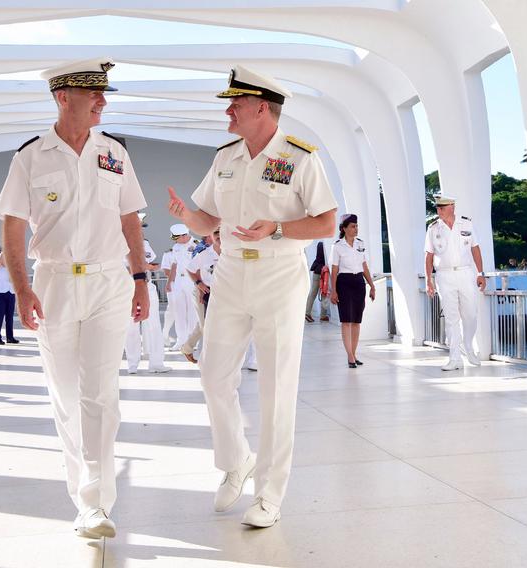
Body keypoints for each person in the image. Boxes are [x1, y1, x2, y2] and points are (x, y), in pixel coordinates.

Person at [167, 65, 337, 528]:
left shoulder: (300, 157)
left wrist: (278, 228)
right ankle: (235, 460)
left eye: (235, 105)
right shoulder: (225, 157)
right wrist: (188, 215)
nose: (228, 111)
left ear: (262, 108)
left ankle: (269, 494)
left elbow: (326, 223)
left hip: (280, 275)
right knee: (213, 376)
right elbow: (208, 221)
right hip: (229, 275)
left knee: (276, 387)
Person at [0, 58, 149, 540]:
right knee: (66, 396)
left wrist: (142, 278)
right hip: (56, 282)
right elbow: (13, 225)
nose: (103, 101)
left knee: (101, 394)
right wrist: (23, 287)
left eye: (104, 94)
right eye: (94, 94)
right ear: (64, 97)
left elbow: (130, 219)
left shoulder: (115, 154)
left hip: (108, 281)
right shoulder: (30, 156)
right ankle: (81, 497)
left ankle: (98, 504)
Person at [424, 195, 487, 371]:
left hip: (466, 273)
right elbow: (428, 256)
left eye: (442, 207)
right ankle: (454, 358)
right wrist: (429, 280)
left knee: (471, 315)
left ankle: (467, 345)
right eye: (437, 208)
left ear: (452, 207)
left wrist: (481, 273)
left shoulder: (466, 224)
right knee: (451, 319)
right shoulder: (433, 228)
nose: (439, 211)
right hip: (444, 276)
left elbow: (475, 248)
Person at [124, 214, 170, 374]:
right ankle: (134, 364)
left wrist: (148, 267)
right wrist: (148, 267)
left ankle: (152, 364)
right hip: (131, 287)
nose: (141, 231)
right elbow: (143, 264)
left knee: (151, 325)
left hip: (144, 285)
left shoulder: (144, 243)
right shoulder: (130, 244)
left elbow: (146, 263)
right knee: (133, 327)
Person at [330, 215, 376, 368]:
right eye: (352, 226)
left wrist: (372, 286)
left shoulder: (360, 244)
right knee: (346, 321)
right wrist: (333, 291)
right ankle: (349, 356)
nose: (356, 229)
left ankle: (353, 354)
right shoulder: (337, 246)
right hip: (344, 283)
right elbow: (334, 270)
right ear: (344, 228)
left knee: (356, 321)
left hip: (358, 283)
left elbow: (364, 266)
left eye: (356, 226)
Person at [180, 229, 221, 364]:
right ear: (210, 236)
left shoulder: (231, 252)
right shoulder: (203, 253)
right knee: (207, 326)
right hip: (204, 291)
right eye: (215, 233)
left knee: (206, 323)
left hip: (221, 293)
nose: (219, 236)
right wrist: (199, 284)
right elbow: (191, 269)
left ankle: (187, 348)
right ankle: (209, 359)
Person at [167, 224, 197, 351]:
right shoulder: (176, 247)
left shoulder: (197, 244)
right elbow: (174, 265)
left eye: (177, 238)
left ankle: (191, 341)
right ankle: (181, 340)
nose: (175, 241)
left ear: (184, 236)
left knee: (192, 313)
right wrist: (169, 282)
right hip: (179, 281)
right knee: (179, 312)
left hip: (192, 281)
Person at [0, 246, 19, 346]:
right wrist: (1, 257)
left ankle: (10, 337)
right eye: (0, 255)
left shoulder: (11, 267)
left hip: (10, 293)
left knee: (9, 317)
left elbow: (14, 279)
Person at [305, 241, 331, 322]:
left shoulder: (320, 243)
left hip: (316, 270)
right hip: (324, 272)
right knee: (324, 292)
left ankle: (307, 312)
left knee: (313, 292)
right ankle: (323, 315)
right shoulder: (326, 244)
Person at [159, 249, 177, 346]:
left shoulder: (193, 247)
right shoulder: (169, 254)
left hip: (189, 284)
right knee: (172, 311)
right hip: (173, 285)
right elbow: (166, 271)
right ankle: (165, 334)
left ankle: (184, 339)